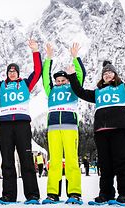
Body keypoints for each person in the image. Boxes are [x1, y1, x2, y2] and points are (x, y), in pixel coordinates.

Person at [65, 49, 125, 204]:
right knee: (105, 165)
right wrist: (71, 76)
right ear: (102, 77)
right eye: (105, 74)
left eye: (110, 73)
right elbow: (80, 92)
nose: (107, 75)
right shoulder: (97, 92)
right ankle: (106, 194)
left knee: (121, 162)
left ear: (115, 75)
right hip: (101, 132)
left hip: (120, 130)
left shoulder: (124, 88)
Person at [0, 40, 42, 205]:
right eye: (10, 71)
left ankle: (32, 195)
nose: (12, 73)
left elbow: (38, 72)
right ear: (7, 73)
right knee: (7, 161)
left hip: (23, 125)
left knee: (26, 159)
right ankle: (9, 195)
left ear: (18, 73)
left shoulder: (25, 84)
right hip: (5, 126)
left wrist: (35, 52)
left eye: (15, 70)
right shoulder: (1, 85)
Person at [41, 43, 85, 205]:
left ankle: (74, 193)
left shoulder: (73, 88)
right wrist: (48, 59)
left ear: (67, 80)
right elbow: (45, 76)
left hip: (70, 128)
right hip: (53, 130)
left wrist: (75, 58)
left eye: (62, 80)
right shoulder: (50, 90)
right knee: (55, 162)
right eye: (58, 80)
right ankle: (53, 193)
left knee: (72, 161)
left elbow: (80, 74)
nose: (59, 82)